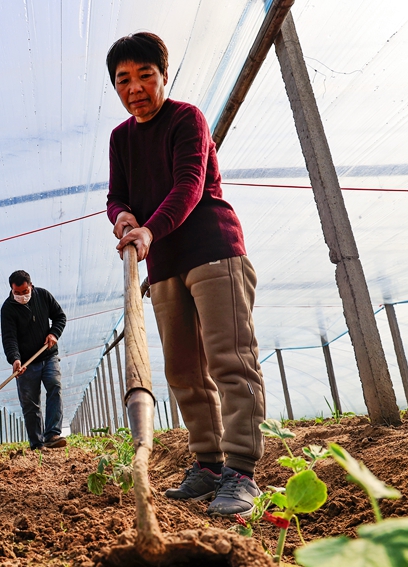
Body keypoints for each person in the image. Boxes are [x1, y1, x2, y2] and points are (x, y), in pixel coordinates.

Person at [104, 32, 266, 517]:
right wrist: (122, 217)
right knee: (184, 372)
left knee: (230, 360)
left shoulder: (186, 118)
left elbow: (190, 184)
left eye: (144, 75)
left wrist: (150, 229)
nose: (134, 88)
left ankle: (242, 471)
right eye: (123, 80)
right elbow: (117, 195)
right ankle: (209, 465)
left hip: (212, 251)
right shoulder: (120, 138)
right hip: (165, 265)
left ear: (163, 74)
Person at [0, 270, 68, 450]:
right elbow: (9, 338)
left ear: (31, 286)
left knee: (54, 386)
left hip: (48, 354)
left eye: (25, 291)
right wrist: (15, 359)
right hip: (26, 363)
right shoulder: (8, 309)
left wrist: (54, 333)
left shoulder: (43, 296)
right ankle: (37, 444)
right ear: (12, 290)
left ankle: (52, 434)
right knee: (30, 403)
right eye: (17, 293)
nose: (22, 296)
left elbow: (60, 317)